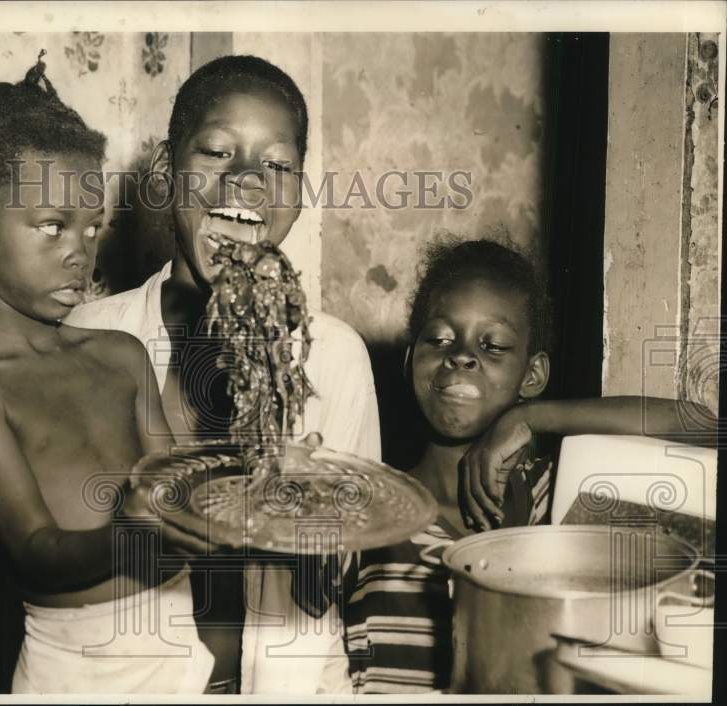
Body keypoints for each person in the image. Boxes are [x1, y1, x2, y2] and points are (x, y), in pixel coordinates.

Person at [65, 54, 381, 694]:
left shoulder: (335, 356)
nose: (246, 181)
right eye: (215, 152)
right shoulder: (87, 337)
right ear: (164, 169)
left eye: (278, 165)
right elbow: (60, 563)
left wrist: (313, 510)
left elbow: (332, 587)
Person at [0, 53, 215, 694]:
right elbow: (34, 549)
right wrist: (130, 534)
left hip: (178, 646)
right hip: (78, 668)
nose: (79, 252)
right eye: (52, 225)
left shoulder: (120, 354)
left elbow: (182, 496)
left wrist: (253, 480)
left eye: (91, 228)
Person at [343, 237, 718, 693]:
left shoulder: (555, 494)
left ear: (533, 375)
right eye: (438, 338)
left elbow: (702, 425)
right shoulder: (362, 514)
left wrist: (533, 417)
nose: (461, 355)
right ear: (409, 360)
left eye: (494, 345)